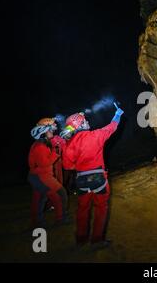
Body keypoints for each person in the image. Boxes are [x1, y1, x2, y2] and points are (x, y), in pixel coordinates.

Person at [62, 103, 124, 248]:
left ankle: (81, 238)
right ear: (81, 124)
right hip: (98, 178)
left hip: (82, 180)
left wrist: (80, 165)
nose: (88, 121)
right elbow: (112, 127)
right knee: (101, 208)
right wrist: (117, 115)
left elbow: (67, 166)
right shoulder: (95, 135)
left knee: (83, 209)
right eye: (85, 120)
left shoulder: (68, 144)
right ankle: (97, 240)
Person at [28, 117, 69, 228]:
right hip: (41, 176)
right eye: (50, 130)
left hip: (38, 176)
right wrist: (55, 151)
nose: (53, 132)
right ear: (43, 132)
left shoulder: (41, 144)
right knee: (60, 195)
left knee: (39, 200)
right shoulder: (40, 146)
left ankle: (36, 223)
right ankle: (60, 219)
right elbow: (44, 163)